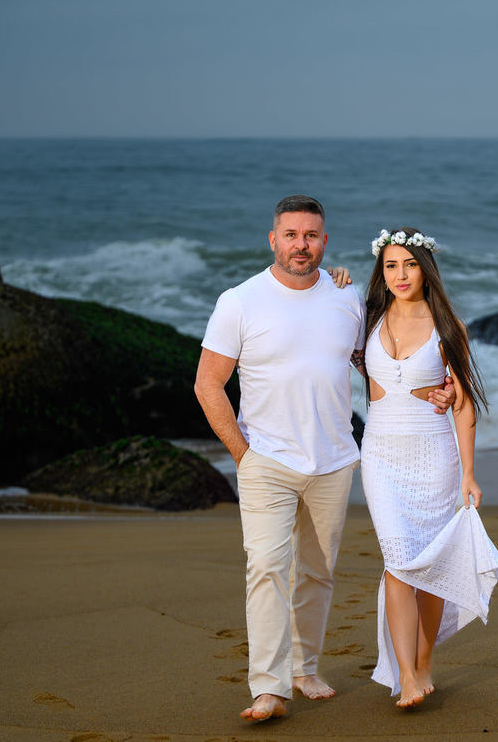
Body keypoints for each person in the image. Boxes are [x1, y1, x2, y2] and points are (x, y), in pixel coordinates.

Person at [193, 197, 452, 722]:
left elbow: (380, 363)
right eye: (290, 234)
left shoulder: (349, 298)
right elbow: (207, 384)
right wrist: (243, 455)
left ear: (325, 242)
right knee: (266, 566)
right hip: (265, 459)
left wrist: (437, 394)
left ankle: (305, 667)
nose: (300, 244)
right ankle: (269, 687)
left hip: (334, 459)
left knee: (317, 571)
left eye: (311, 235)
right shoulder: (239, 301)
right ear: (273, 240)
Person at [360, 227, 498, 709]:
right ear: (381, 273)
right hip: (381, 456)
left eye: (410, 264)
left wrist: (469, 473)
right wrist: (336, 278)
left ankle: (423, 665)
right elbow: (321, 317)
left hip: (436, 458)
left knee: (434, 565)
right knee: (399, 562)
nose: (400, 274)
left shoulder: (449, 329)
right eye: (391, 266)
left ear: (426, 269)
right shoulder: (366, 319)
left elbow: (463, 406)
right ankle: (405, 675)